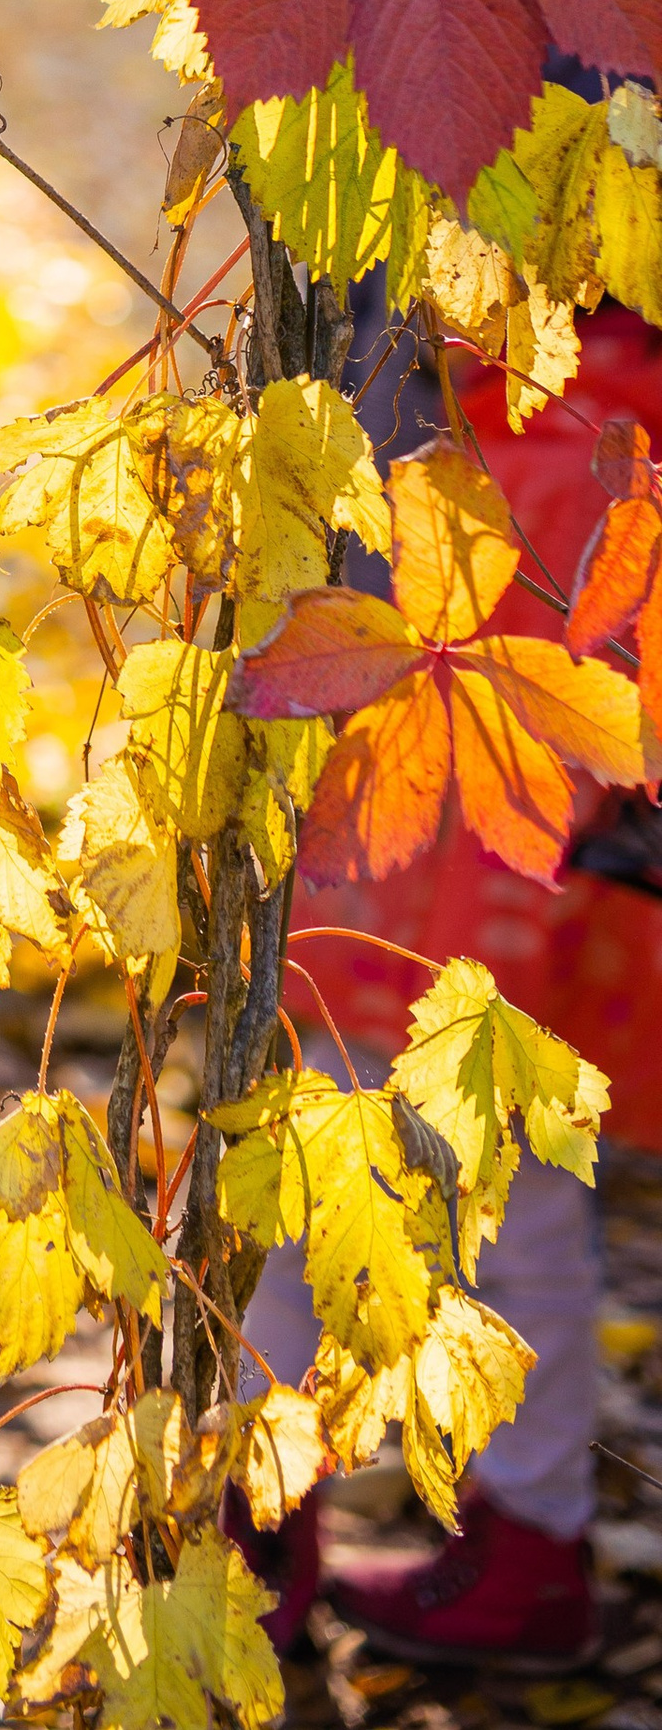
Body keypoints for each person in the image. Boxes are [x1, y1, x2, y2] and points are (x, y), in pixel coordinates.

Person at [237, 298, 662, 1676]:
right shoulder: (511, 425)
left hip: (480, 894)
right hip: (488, 892)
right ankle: (510, 1547)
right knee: (481, 1205)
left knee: (351, 1186)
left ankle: (276, 1540)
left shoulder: (560, 445)